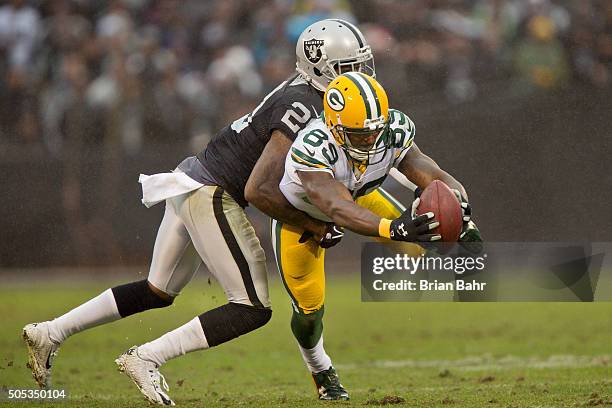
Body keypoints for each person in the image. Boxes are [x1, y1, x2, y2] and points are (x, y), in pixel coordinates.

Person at [22, 19, 419, 405]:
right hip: (213, 190)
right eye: (349, 67)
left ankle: (51, 332)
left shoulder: (309, 96)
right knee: (251, 308)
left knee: (157, 290)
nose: (360, 73)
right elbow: (259, 188)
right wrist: (313, 224)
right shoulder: (302, 105)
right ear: (321, 68)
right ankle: (146, 357)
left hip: (194, 177)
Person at [273, 71, 478, 400]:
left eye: (375, 132)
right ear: (335, 128)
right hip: (305, 219)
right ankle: (319, 367)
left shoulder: (391, 128)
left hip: (359, 195)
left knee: (427, 246)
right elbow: (336, 207)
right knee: (309, 313)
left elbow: (426, 168)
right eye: (360, 135)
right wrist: (394, 228)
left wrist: (457, 197)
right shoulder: (313, 146)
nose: (370, 141)